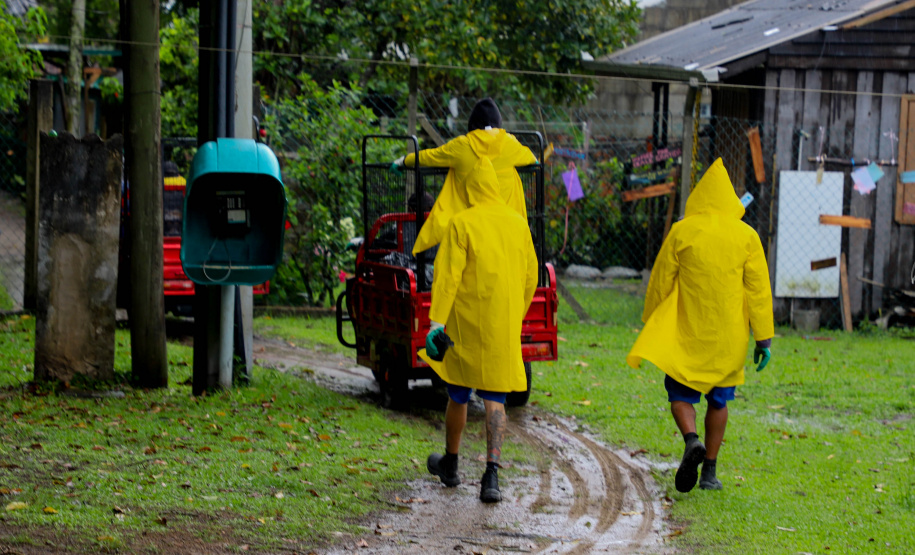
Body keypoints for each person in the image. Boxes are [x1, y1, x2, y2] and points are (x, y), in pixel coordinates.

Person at [626, 158, 774, 493]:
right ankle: (709, 472)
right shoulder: (747, 237)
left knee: (680, 394)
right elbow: (758, 291)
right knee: (719, 402)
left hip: (688, 334)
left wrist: (652, 319)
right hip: (729, 339)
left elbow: (661, 280)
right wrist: (763, 338)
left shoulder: (682, 231)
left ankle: (692, 439)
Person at [418, 155, 539, 504]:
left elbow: (447, 277)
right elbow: (531, 275)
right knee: (495, 399)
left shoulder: (461, 223)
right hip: (503, 325)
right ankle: (492, 478)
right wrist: (516, 311)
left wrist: (436, 323)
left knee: (457, 395)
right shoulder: (518, 223)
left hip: (464, 325)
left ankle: (451, 465)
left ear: (471, 188)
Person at [391, 97, 537, 256]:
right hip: (506, 230)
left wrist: (403, 161)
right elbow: (532, 158)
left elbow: (430, 156)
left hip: (471, 231)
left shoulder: (462, 146)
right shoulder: (510, 144)